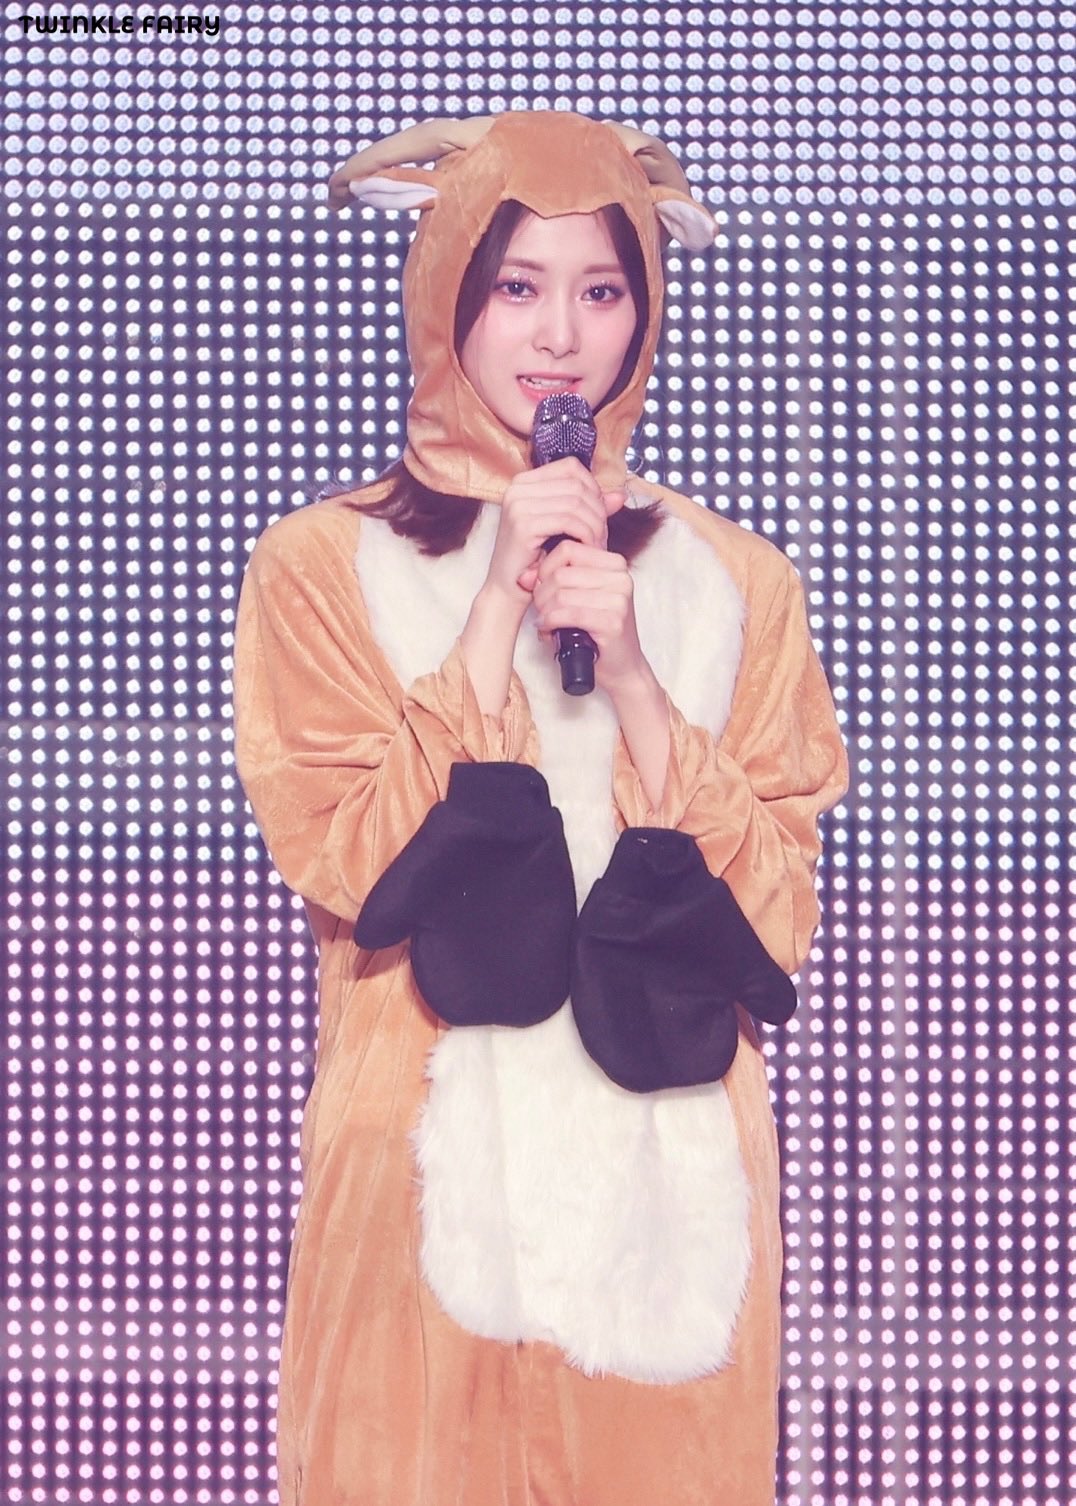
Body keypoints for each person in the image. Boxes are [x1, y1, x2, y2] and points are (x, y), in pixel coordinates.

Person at [233, 110, 848, 1506]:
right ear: (449, 292)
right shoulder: (321, 565)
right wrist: (494, 607)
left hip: (669, 1208)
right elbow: (352, 863)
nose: (560, 335)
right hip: (420, 1196)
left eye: (601, 289)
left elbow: (775, 920)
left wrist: (632, 679)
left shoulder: (736, 583)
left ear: (646, 310)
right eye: (517, 284)